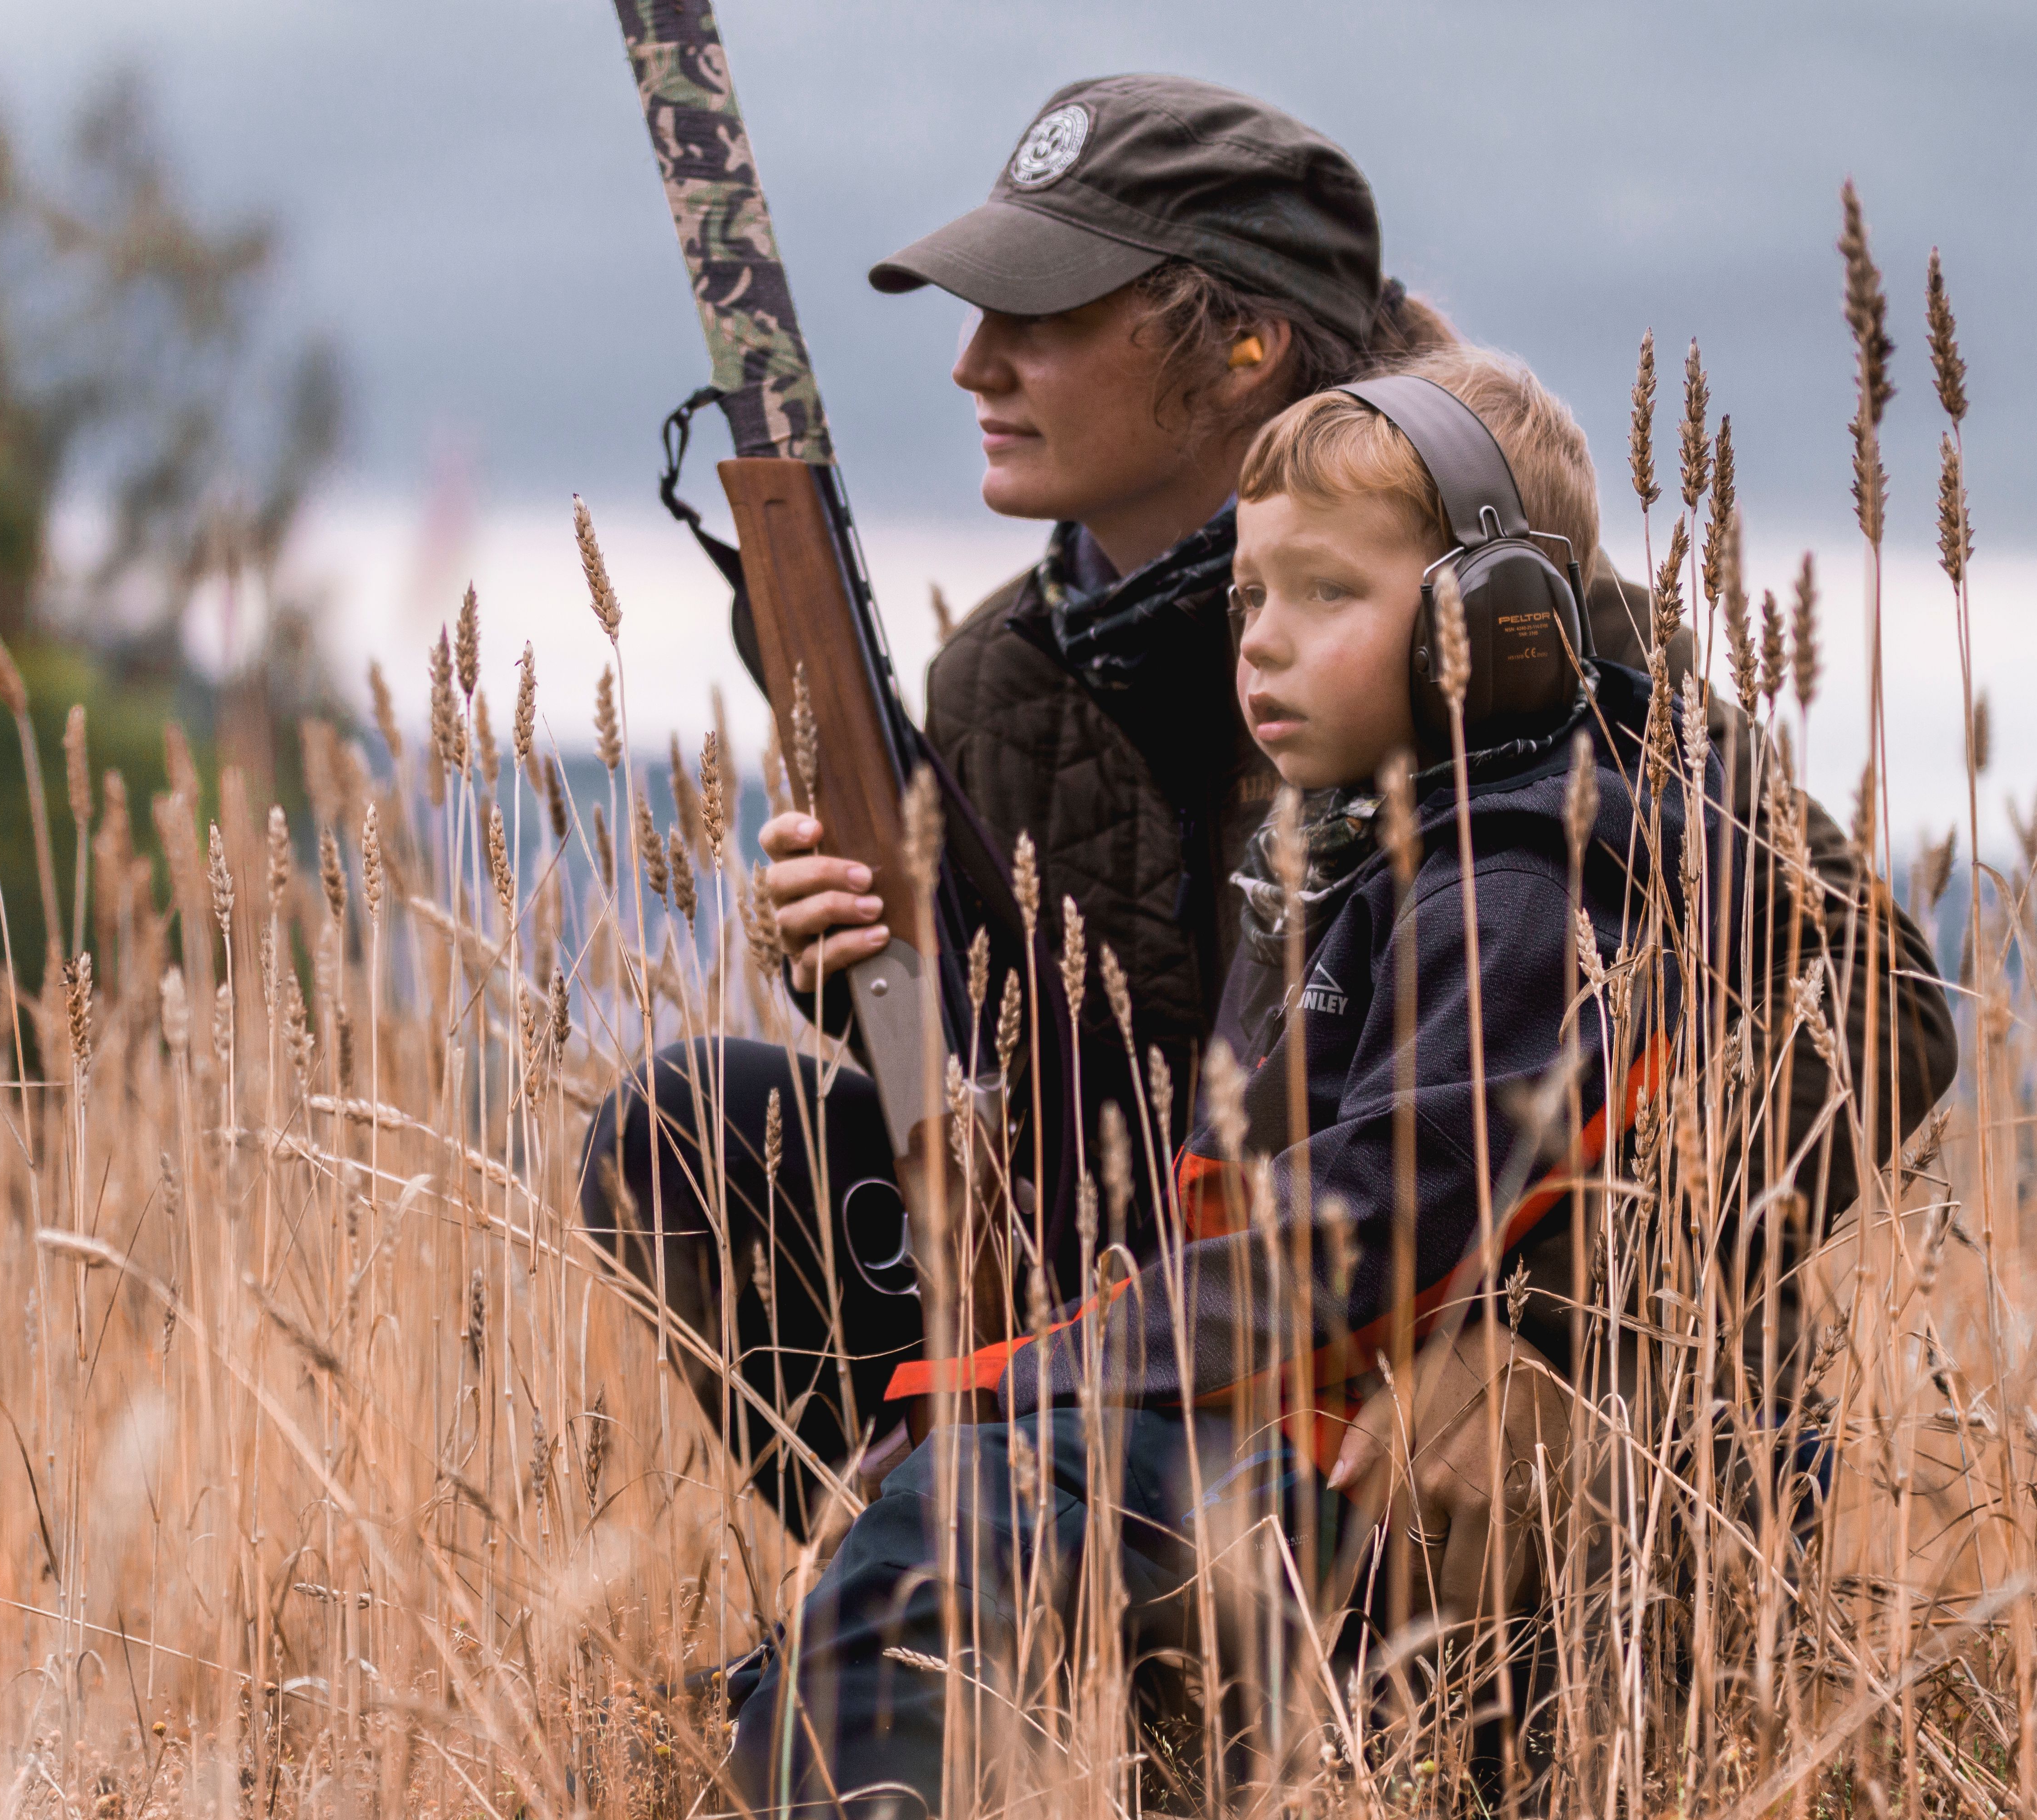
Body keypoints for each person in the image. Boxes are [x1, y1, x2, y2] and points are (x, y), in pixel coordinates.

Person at [582, 73, 1949, 1606]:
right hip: (1193, 1346)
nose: (975, 364)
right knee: (698, 1124)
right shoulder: (1003, 682)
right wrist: (879, 977)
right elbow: (1075, 1123)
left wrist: (1552, 1330)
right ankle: (951, 1647)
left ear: (1245, 346)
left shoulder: (1525, 637)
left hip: (1477, 1389)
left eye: (1041, 315)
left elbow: (1874, 1004)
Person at [719, 345, 1955, 1817]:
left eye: (1325, 596)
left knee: (970, 1520)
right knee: (953, 1531)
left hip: (1388, 1457)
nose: (1260, 643)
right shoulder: (1335, 840)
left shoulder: (1508, 884)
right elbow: (1078, 1080)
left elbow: (1362, 1228)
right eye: (1249, 598)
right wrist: (853, 954)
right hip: (1275, 1405)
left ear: (1490, 630)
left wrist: (1018, 1382)